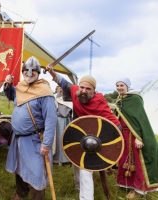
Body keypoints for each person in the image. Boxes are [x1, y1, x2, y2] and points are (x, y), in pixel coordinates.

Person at [45, 65, 120, 200]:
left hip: (95, 141)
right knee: (76, 161)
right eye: (82, 87)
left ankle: (86, 197)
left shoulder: (100, 104)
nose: (84, 91)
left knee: (85, 169)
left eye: (88, 89)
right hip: (79, 136)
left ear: (94, 91)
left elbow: (116, 126)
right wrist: (51, 71)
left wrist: (109, 149)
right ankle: (78, 186)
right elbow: (62, 82)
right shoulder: (75, 91)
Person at [4, 56, 57, 200]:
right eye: (26, 70)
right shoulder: (21, 87)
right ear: (22, 72)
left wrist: (46, 144)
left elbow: (51, 120)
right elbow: (12, 96)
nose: (29, 73)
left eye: (33, 70)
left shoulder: (45, 91)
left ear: (38, 72)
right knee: (19, 168)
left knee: (37, 172)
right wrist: (8, 86)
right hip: (18, 138)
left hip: (35, 139)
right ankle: (20, 194)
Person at [114, 78, 158, 199]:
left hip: (134, 135)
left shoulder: (134, 99)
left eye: (121, 85)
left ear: (127, 86)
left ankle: (138, 189)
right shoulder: (120, 99)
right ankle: (127, 183)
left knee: (136, 162)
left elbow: (139, 120)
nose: (119, 87)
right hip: (124, 135)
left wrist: (139, 137)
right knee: (125, 160)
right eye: (117, 85)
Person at [53, 86, 72, 165]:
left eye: (61, 88)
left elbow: (68, 111)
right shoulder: (54, 97)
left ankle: (65, 158)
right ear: (56, 89)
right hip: (57, 122)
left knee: (66, 139)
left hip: (67, 121)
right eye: (58, 88)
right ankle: (57, 158)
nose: (60, 90)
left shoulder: (68, 99)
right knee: (58, 139)